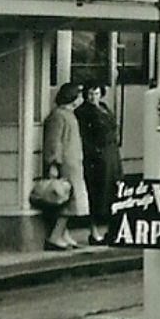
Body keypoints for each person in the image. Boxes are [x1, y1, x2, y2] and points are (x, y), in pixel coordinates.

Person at [41, 83, 90, 250]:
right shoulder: (60, 116)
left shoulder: (66, 115)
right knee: (68, 202)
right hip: (67, 165)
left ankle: (64, 234)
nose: (81, 99)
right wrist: (54, 163)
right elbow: (54, 142)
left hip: (73, 163)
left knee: (71, 202)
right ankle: (55, 236)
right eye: (79, 95)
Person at [76, 82, 122, 246]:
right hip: (97, 159)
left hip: (111, 156)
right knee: (96, 195)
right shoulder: (82, 112)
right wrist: (95, 153)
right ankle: (94, 232)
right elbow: (84, 137)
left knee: (113, 192)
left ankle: (112, 230)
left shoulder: (104, 107)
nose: (93, 97)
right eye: (89, 94)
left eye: (95, 93)